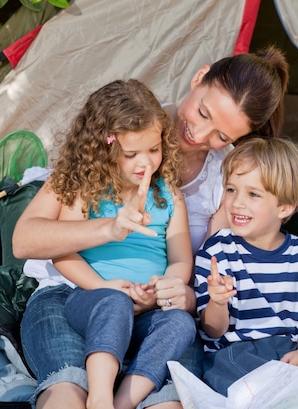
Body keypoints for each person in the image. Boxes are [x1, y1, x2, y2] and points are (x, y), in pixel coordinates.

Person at [13, 46, 289, 409]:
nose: (201, 134)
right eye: (203, 112)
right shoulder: (122, 126)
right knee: (67, 394)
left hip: (157, 308)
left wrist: (187, 294)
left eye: (223, 136)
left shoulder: (225, 178)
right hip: (71, 294)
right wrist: (110, 229)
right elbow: (26, 239)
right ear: (198, 78)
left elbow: (205, 264)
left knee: (167, 397)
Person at [48, 79, 195, 409]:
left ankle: (125, 400)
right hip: (91, 298)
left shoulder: (169, 194)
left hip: (146, 306)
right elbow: (62, 253)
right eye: (131, 154)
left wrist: (168, 283)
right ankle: (99, 398)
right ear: (106, 148)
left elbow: (180, 257)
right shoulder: (87, 190)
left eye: (154, 150)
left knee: (180, 323)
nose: (146, 163)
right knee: (113, 304)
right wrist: (104, 288)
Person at [193, 137, 298, 395]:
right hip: (233, 354)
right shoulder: (216, 252)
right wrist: (217, 302)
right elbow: (212, 331)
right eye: (231, 189)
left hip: (287, 353)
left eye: (253, 194)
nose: (237, 202)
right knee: (260, 394)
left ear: (285, 207)